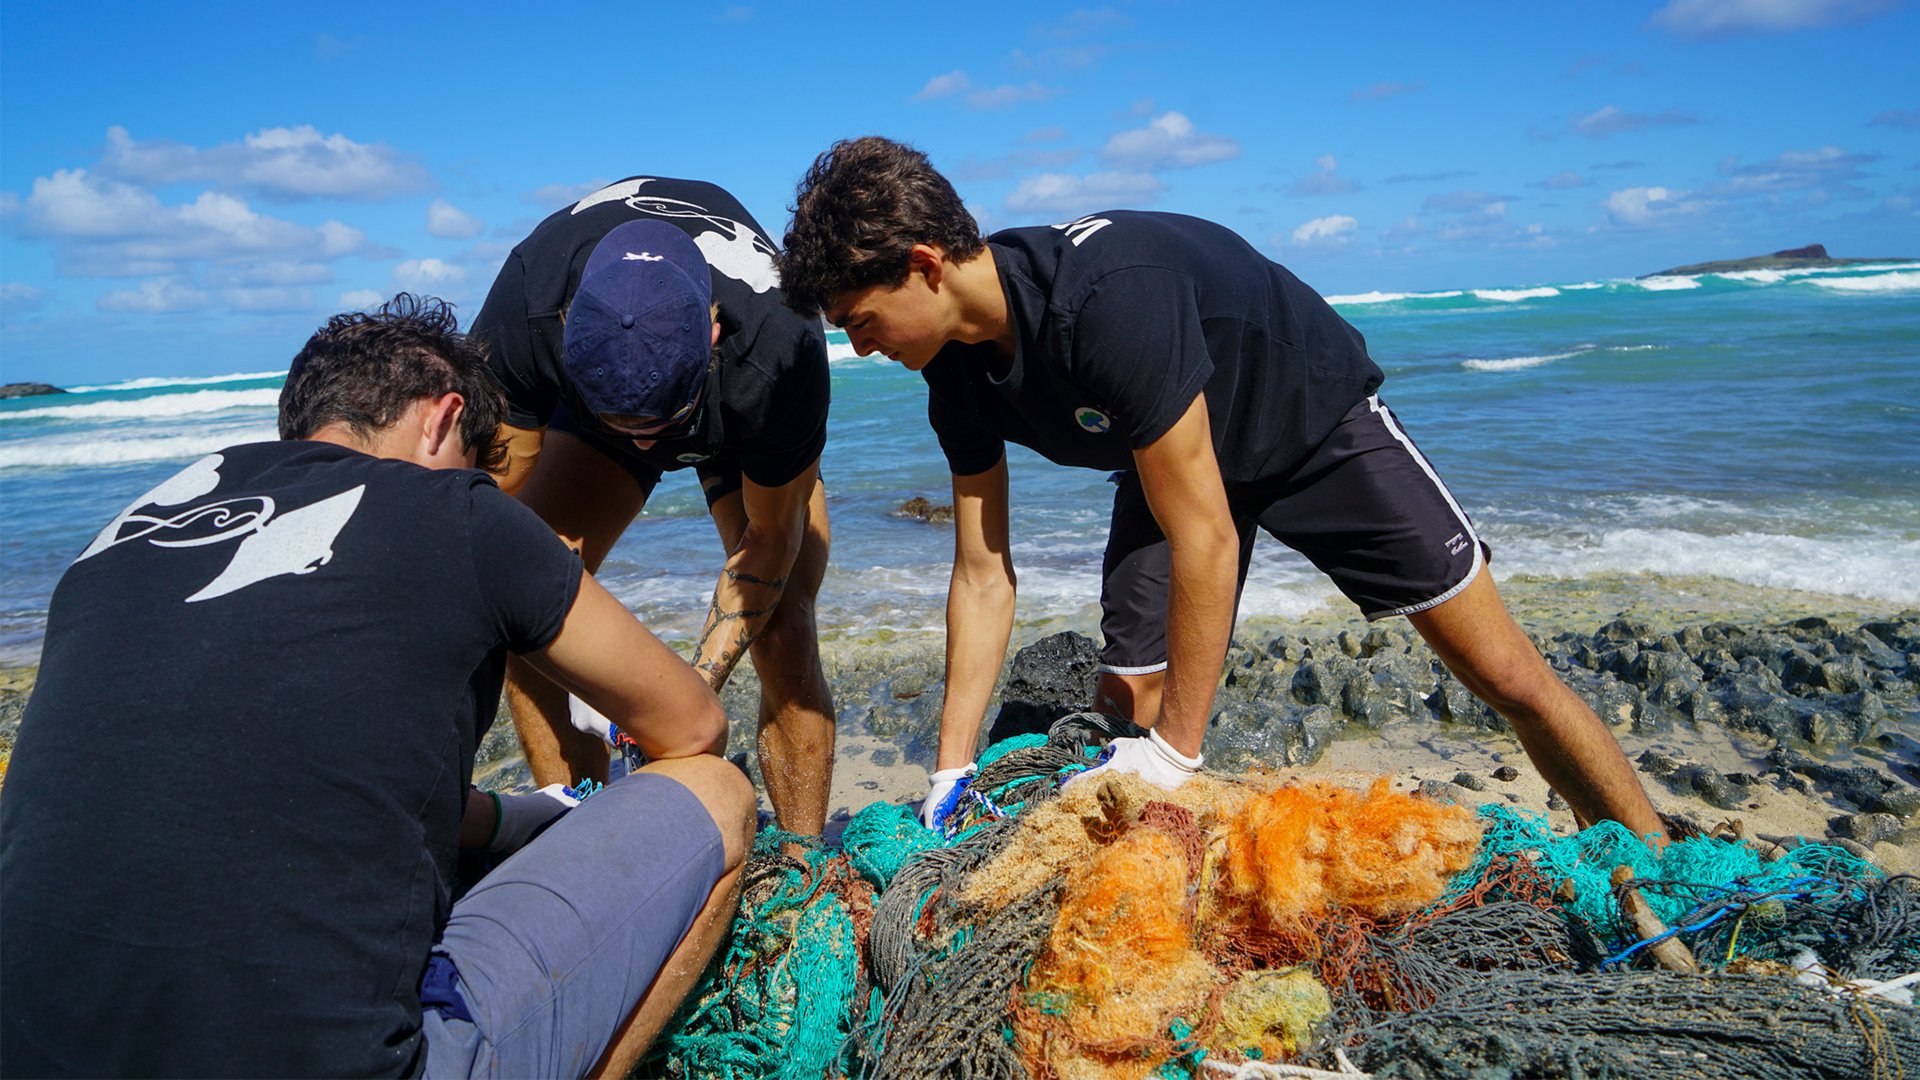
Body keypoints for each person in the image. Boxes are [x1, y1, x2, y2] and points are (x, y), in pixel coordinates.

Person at [778, 137, 1668, 845]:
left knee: (1503, 673)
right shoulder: (954, 375)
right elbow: (981, 572)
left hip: (1309, 424)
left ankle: (1655, 855)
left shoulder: (1108, 300)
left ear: (927, 264)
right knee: (1119, 709)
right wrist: (952, 764)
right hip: (1171, 460)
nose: (860, 347)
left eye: (861, 320)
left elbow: (1207, 535)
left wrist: (1178, 755)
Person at [0, 295, 756, 1080]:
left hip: (37, 1051)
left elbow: (264, 772)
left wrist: (522, 818)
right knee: (716, 792)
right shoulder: (454, 511)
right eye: (476, 458)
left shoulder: (118, 538)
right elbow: (691, 725)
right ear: (442, 418)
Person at [470, 177, 837, 837]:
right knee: (525, 583)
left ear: (715, 329)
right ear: (562, 329)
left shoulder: (780, 349)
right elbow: (475, 521)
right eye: (630, 427)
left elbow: (770, 537)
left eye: (661, 423)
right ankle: (571, 821)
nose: (648, 445)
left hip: (730, 404)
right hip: (607, 396)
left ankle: (803, 868)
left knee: (783, 624)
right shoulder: (527, 304)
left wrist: (685, 697)